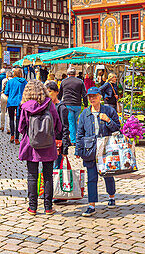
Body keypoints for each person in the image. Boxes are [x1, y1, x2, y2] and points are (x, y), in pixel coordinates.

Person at [74, 86, 121, 216]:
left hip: (106, 148)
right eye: (90, 97)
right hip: (90, 149)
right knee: (91, 177)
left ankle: (111, 196)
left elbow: (117, 129)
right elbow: (80, 133)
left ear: (100, 96)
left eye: (94, 96)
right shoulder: (85, 113)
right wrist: (78, 150)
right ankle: (91, 205)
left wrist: (108, 120)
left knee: (108, 174)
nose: (92, 98)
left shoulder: (109, 111)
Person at [18, 79, 61, 214]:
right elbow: (58, 125)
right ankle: (48, 207)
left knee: (32, 176)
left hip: (31, 145)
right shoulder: (50, 105)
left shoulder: (25, 106)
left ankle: (32, 207)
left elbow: (20, 127)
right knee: (48, 175)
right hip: (48, 144)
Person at [58, 67, 87, 152]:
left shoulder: (64, 82)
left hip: (68, 104)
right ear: (75, 74)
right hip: (77, 104)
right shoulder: (80, 82)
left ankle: (74, 141)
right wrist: (85, 104)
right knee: (74, 122)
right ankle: (78, 137)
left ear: (67, 74)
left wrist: (59, 102)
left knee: (71, 122)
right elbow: (84, 94)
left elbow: (60, 94)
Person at [5, 67, 27, 143]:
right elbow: (26, 92)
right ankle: (17, 138)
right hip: (20, 102)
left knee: (11, 119)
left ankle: (12, 136)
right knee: (18, 120)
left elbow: (6, 92)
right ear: (21, 74)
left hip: (11, 102)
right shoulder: (24, 82)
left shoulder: (10, 82)